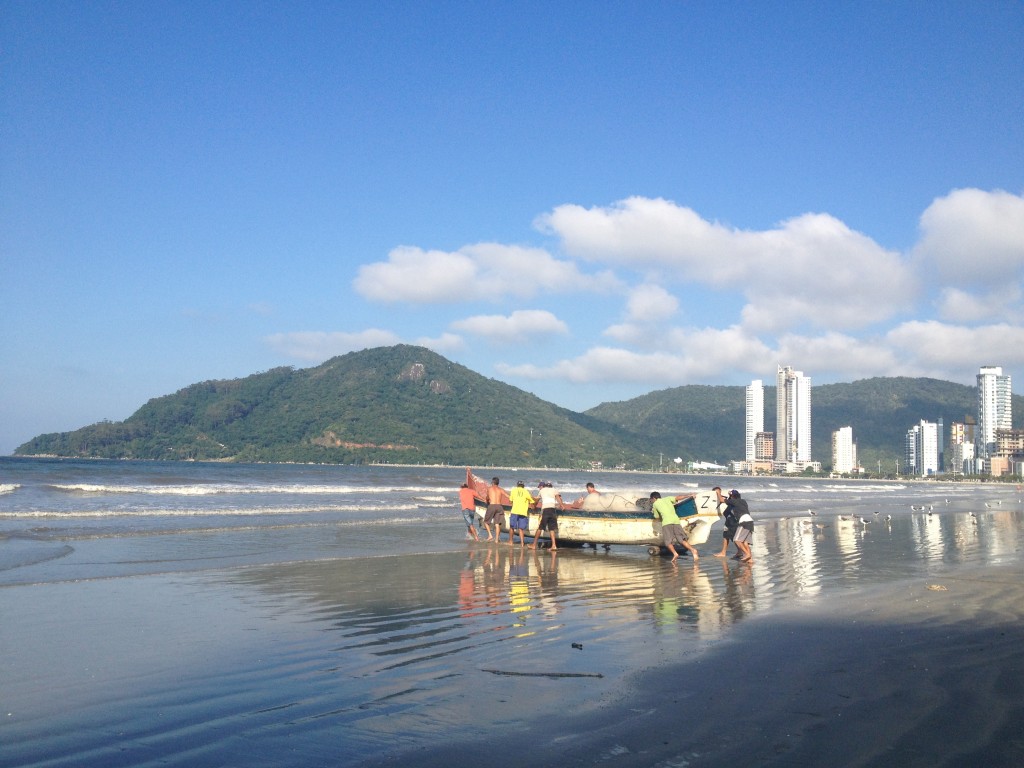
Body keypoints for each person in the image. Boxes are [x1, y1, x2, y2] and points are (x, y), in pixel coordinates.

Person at [650, 492, 699, 562]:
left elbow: (656, 516)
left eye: (651, 500)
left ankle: (675, 554)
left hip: (667, 523)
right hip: (676, 521)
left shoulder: (655, 504)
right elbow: (678, 497)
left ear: (654, 498)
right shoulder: (667, 498)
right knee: (681, 540)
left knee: (667, 542)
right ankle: (693, 550)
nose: (651, 501)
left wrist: (653, 512)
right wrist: (689, 495)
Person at [530, 481, 563, 551]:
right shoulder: (554, 490)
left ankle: (533, 545)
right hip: (552, 510)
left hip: (546, 510)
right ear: (551, 486)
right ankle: (554, 545)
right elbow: (558, 498)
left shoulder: (542, 490)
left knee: (540, 528)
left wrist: (533, 505)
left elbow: (537, 500)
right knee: (552, 529)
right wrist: (562, 505)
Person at [723, 489, 754, 563]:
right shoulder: (743, 501)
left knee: (737, 540)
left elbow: (723, 500)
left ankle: (747, 554)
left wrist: (717, 493)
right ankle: (750, 561)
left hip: (744, 522)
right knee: (745, 542)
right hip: (750, 521)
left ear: (732, 496)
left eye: (730, 496)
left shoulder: (733, 501)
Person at [712, 486, 738, 558]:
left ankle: (742, 552)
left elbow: (722, 500)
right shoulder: (728, 500)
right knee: (726, 536)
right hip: (728, 520)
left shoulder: (730, 500)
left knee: (735, 537)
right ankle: (724, 552)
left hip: (733, 520)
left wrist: (718, 493)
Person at [507, 480, 534, 547]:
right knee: (521, 529)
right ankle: (522, 543)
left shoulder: (513, 490)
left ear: (517, 485)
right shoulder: (526, 491)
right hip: (523, 512)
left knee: (512, 527)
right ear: (523, 486)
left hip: (515, 511)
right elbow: (532, 501)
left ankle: (510, 541)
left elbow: (510, 501)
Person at [483, 477, 507, 542]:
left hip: (492, 506)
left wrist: (487, 500)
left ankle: (490, 535)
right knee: (497, 524)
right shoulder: (501, 489)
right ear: (498, 483)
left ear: (492, 482)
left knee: (486, 522)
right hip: (499, 507)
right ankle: (496, 540)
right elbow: (508, 496)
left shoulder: (489, 489)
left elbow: (487, 498)